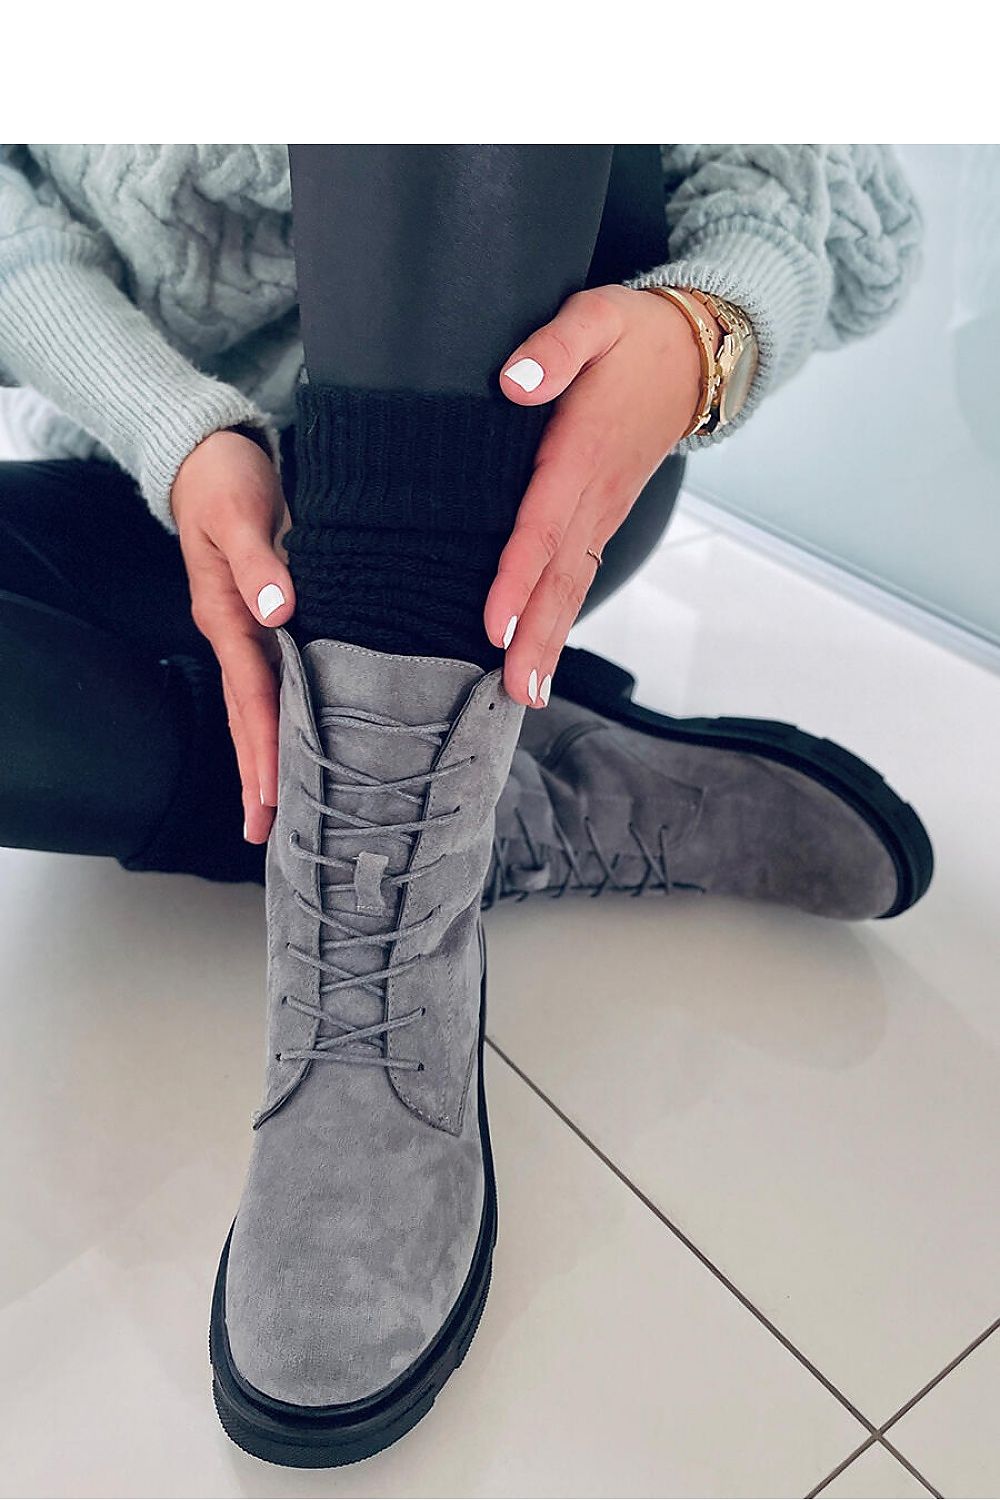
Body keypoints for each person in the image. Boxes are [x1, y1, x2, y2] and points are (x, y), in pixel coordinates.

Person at [0, 144, 931, 1467]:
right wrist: (179, 437)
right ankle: (497, 801)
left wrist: (704, 332)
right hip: (186, 491)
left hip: (501, 480)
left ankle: (383, 894)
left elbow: (812, 182)